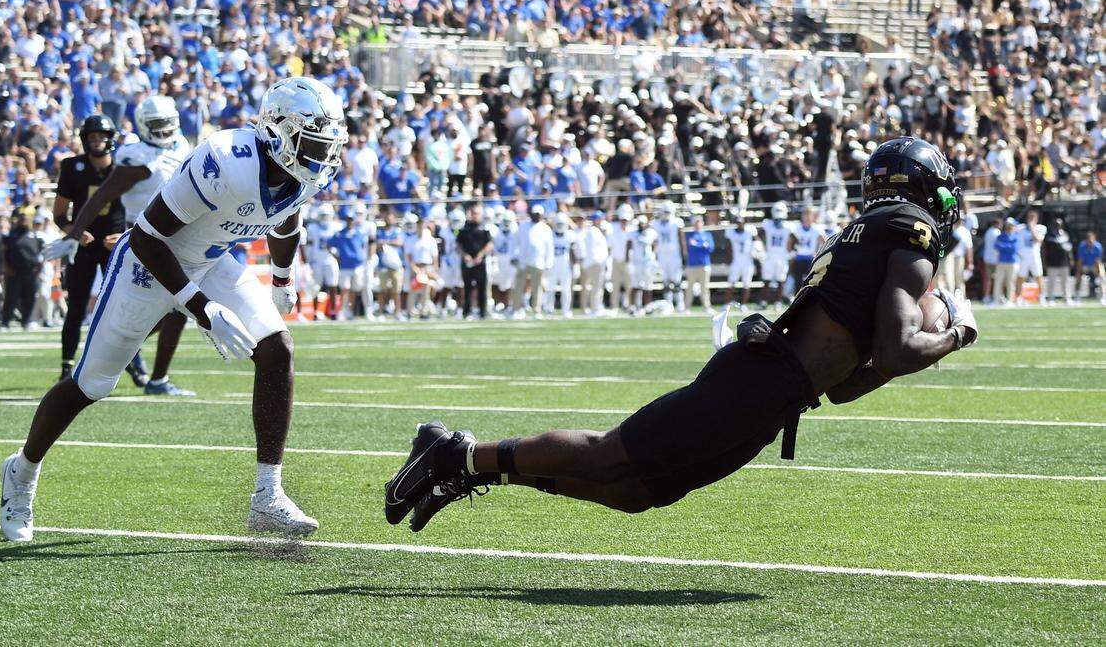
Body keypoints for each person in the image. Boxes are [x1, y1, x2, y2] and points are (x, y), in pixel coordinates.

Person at [383, 137, 978, 531]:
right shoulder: (909, 226)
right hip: (760, 381)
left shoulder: (869, 230)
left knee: (637, 490)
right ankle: (454, 454)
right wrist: (955, 334)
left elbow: (849, 384)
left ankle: (469, 465)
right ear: (928, 188)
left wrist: (916, 344)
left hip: (775, 391)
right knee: (609, 455)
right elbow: (900, 349)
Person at [0, 76, 347, 543]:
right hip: (144, 266)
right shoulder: (226, 159)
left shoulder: (307, 172)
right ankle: (21, 472)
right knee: (91, 384)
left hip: (209, 259)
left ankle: (267, 496)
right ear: (278, 130)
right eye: (312, 142)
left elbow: (287, 217)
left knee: (277, 348)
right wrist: (202, 309)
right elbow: (146, 238)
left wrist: (282, 279)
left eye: (327, 144)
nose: (321, 155)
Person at [44, 96, 194, 395]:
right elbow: (96, 199)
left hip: (155, 240)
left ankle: (147, 373)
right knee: (149, 310)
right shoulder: (131, 158)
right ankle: (94, 359)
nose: (163, 131)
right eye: (156, 126)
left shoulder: (181, 148)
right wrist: (74, 234)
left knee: (172, 309)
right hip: (139, 241)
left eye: (166, 124)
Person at [49, 114, 146, 385]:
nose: (97, 142)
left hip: (116, 245)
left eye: (102, 137)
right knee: (76, 308)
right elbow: (59, 215)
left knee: (123, 307)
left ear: (111, 140)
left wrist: (127, 235)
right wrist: (76, 233)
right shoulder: (72, 167)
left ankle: (134, 363)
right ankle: (66, 365)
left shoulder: (123, 167)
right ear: (84, 140)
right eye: (92, 137)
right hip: (84, 246)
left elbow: (146, 208)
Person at [328, 204, 374, 320]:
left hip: (358, 265)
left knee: (355, 289)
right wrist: (336, 257)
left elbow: (365, 245)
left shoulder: (359, 232)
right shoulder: (340, 233)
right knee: (345, 289)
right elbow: (328, 245)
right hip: (345, 265)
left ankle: (349, 311)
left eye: (351, 219)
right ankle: (342, 311)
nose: (350, 221)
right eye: (348, 219)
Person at [1, 209, 44, 330]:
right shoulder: (11, 235)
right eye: (21, 219)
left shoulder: (34, 234)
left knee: (29, 297)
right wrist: (6, 267)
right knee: (11, 297)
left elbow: (42, 253)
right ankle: (5, 322)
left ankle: (27, 321)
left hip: (31, 272)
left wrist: (39, 268)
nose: (23, 221)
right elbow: (4, 252)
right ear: (18, 220)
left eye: (26, 219)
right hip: (14, 271)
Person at [513, 205, 553, 318]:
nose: (536, 216)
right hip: (523, 261)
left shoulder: (545, 228)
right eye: (535, 214)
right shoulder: (523, 226)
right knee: (519, 286)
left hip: (539, 262)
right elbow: (515, 242)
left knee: (537, 287)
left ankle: (537, 309)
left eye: (538, 214)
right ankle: (517, 309)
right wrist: (514, 256)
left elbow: (549, 247)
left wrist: (548, 262)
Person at [301, 203, 340, 319]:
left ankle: (333, 311)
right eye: (323, 216)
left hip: (330, 259)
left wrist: (337, 254)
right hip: (317, 260)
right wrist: (308, 261)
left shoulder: (336, 227)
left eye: (327, 216)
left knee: (333, 285)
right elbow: (310, 246)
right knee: (315, 287)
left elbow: (338, 245)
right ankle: (316, 312)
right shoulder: (313, 228)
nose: (325, 218)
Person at [457, 204, 494, 319]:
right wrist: (465, 255)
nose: (475, 216)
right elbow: (458, 244)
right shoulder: (464, 228)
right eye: (473, 213)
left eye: (477, 213)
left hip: (480, 262)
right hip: (467, 262)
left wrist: (481, 255)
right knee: (467, 287)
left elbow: (490, 244)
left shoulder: (484, 228)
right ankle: (467, 312)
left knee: (482, 287)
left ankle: (483, 312)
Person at [652, 201, 685, 312]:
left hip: (674, 255)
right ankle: (668, 304)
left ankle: (680, 303)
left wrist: (684, 254)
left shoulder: (676, 222)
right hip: (662, 255)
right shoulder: (655, 224)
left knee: (676, 281)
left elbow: (681, 239)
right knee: (665, 281)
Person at [578, 212, 610, 316]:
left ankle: (593, 307)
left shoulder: (594, 231)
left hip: (595, 262)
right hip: (595, 262)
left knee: (595, 286)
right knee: (596, 286)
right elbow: (593, 249)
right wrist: (599, 261)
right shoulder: (593, 231)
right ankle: (595, 308)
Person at [546, 212, 577, 317]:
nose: (560, 227)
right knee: (550, 288)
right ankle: (549, 309)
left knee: (566, 289)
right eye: (558, 224)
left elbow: (573, 251)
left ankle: (566, 310)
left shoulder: (570, 235)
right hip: (552, 264)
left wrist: (575, 265)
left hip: (565, 265)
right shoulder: (549, 234)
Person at [724, 211, 758, 308]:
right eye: (737, 223)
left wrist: (756, 250)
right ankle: (727, 304)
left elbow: (757, 241)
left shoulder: (750, 231)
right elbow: (728, 246)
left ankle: (743, 305)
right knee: (731, 283)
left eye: (741, 222)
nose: (739, 224)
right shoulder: (731, 232)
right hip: (736, 261)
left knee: (746, 284)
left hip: (748, 262)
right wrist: (728, 259)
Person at [761, 201, 791, 305]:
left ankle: (778, 302)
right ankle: (764, 301)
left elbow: (794, 239)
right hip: (770, 255)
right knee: (766, 280)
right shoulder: (767, 224)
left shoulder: (788, 226)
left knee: (781, 281)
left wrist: (791, 251)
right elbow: (761, 237)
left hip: (782, 256)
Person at [787, 206, 823, 295]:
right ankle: (796, 300)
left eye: (809, 214)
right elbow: (789, 243)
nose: (807, 217)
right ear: (802, 216)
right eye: (805, 214)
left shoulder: (816, 229)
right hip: (798, 258)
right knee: (797, 282)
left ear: (813, 216)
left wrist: (818, 254)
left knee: (810, 282)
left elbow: (825, 242)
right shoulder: (796, 228)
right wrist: (792, 253)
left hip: (811, 259)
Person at [683, 215, 715, 312]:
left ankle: (706, 307)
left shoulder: (707, 235)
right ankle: (686, 307)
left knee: (704, 287)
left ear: (702, 223)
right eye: (696, 222)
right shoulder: (689, 235)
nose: (698, 224)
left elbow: (710, 248)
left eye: (699, 222)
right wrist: (702, 245)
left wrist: (697, 244)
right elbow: (691, 247)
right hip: (692, 265)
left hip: (705, 264)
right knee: (689, 287)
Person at [606, 203, 635, 313]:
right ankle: (614, 307)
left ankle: (628, 305)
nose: (624, 222)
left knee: (629, 285)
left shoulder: (633, 229)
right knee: (615, 285)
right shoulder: (612, 228)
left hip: (629, 261)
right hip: (615, 260)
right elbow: (610, 245)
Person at [627, 215, 658, 314]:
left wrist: (653, 257)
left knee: (648, 285)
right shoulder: (633, 233)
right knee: (635, 285)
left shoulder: (651, 233)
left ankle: (647, 306)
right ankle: (632, 306)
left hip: (647, 262)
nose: (641, 226)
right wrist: (628, 259)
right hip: (636, 262)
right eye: (639, 224)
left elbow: (654, 244)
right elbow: (629, 245)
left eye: (642, 224)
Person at [1014, 210, 1045, 305]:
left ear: (1036, 219)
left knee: (1038, 277)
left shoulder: (1040, 228)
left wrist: (1032, 228)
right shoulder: (1021, 228)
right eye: (1029, 217)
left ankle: (1042, 296)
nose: (1031, 219)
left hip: (1034, 257)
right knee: (1021, 278)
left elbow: (1038, 239)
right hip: (1023, 257)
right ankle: (1018, 297)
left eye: (1033, 217)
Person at [1041, 216, 1074, 305]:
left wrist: (1071, 259)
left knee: (1065, 282)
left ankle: (1067, 298)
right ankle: (1051, 298)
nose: (1058, 226)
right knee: (1051, 282)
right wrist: (1044, 262)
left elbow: (1069, 248)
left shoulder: (1065, 234)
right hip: (1052, 262)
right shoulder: (1049, 235)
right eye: (1056, 224)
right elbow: (1044, 250)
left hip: (1064, 263)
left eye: (1059, 224)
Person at [492, 210, 519, 313]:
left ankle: (508, 304)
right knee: (496, 282)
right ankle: (498, 303)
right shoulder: (497, 231)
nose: (507, 223)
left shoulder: (516, 231)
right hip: (499, 259)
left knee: (510, 284)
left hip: (511, 260)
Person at [992, 218, 1020, 304]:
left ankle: (1010, 300)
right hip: (1001, 261)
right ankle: (996, 300)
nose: (1010, 227)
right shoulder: (1000, 236)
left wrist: (1003, 246)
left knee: (1010, 282)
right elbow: (996, 246)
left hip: (1012, 262)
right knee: (998, 281)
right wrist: (1007, 246)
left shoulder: (1016, 236)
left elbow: (1014, 249)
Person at [1074, 230, 1104, 304]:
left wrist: (1100, 273)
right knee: (1078, 278)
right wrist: (1079, 272)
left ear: (1094, 239)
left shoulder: (1098, 246)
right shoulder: (1082, 246)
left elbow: (1098, 261)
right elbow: (1080, 260)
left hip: (1094, 265)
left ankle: (1103, 297)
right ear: (1086, 240)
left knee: (1102, 278)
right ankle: (1077, 296)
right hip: (1085, 265)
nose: (1090, 242)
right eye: (1089, 240)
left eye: (1092, 240)